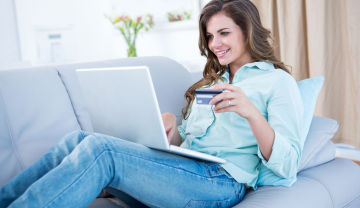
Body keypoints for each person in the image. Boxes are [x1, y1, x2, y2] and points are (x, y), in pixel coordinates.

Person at [0, 0, 304, 207]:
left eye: (224, 33)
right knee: (79, 140)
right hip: (184, 170)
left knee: (101, 151)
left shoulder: (277, 83)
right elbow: (195, 139)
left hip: (222, 183)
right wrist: (173, 132)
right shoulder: (212, 83)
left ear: (247, 30)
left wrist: (252, 114)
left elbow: (287, 165)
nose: (215, 44)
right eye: (210, 36)